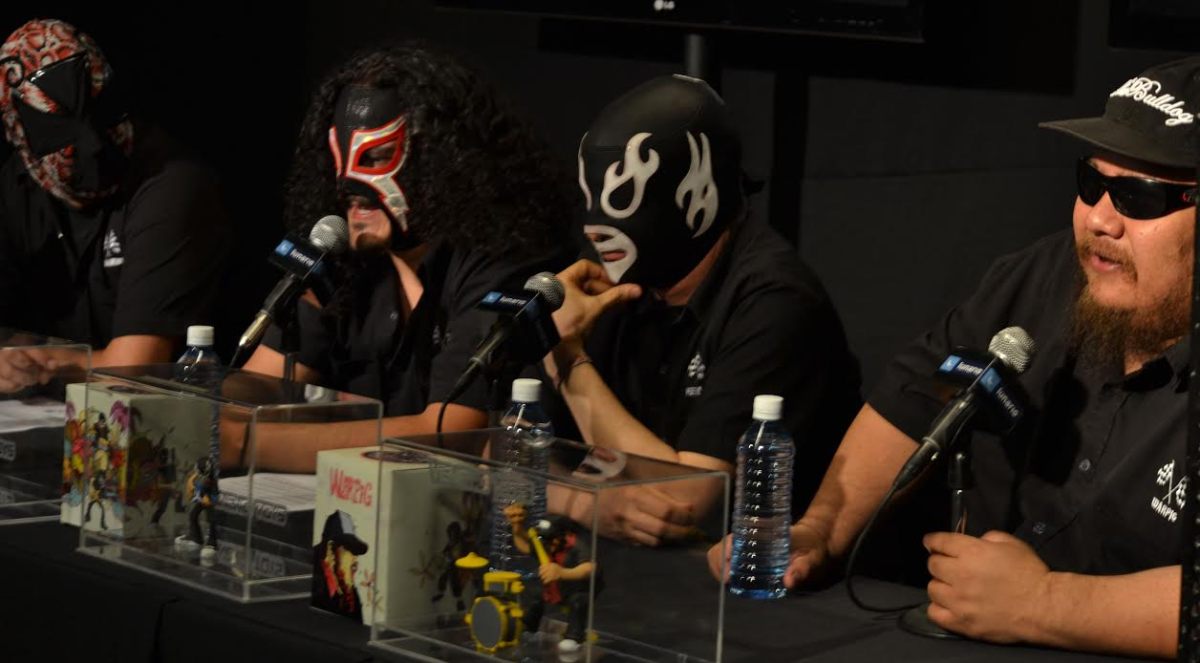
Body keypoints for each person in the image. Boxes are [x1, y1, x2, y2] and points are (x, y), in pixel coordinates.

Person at [708, 56, 1200, 658]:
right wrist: (820, 532)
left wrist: (1046, 604)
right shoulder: (1042, 277)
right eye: (1090, 183)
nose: (1099, 219)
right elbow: (914, 398)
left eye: (1137, 197)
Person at [545, 75, 861, 546]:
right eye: (591, 200)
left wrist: (566, 358)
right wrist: (578, 500)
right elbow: (502, 446)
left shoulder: (776, 300)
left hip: (755, 573)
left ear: (694, 190)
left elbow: (687, 498)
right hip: (631, 564)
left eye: (622, 198)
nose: (593, 229)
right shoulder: (610, 284)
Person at [237, 44, 574, 470]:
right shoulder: (342, 261)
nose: (348, 183)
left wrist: (246, 442)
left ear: (443, 161)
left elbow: (451, 432)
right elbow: (261, 385)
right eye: (339, 158)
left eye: (377, 157)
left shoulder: (498, 262)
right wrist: (204, 397)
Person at [0, 19, 230, 380]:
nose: (93, 144)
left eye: (101, 109)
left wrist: (37, 361)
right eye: (60, 127)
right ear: (18, 131)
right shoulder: (17, 186)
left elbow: (137, 363)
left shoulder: (170, 183)